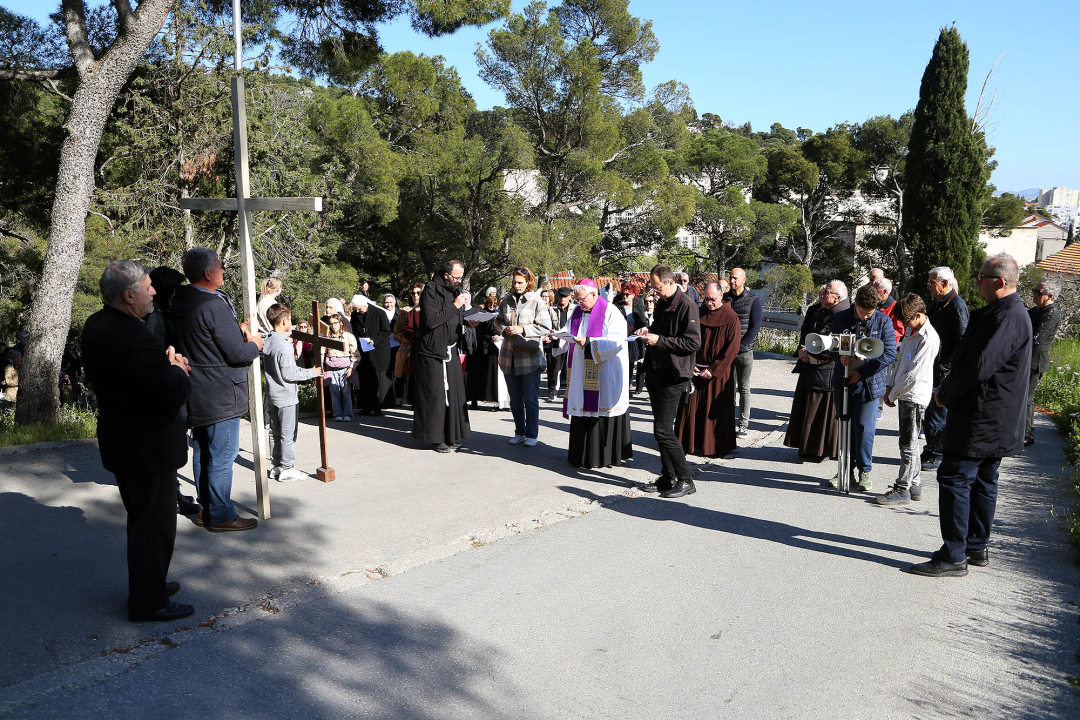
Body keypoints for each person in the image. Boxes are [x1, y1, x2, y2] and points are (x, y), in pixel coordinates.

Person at [82, 260, 194, 621]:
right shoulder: (134, 337)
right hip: (147, 445)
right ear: (129, 295)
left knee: (144, 521)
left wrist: (160, 368)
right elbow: (169, 394)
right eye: (148, 286)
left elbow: (131, 381)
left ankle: (153, 585)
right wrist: (176, 370)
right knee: (153, 527)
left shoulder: (98, 323)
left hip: (124, 439)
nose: (155, 292)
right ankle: (149, 602)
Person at [910, 254, 1032, 577]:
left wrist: (945, 394)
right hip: (994, 418)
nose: (976, 282)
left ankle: (954, 554)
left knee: (955, 478)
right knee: (982, 481)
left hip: (983, 417)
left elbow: (979, 367)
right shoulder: (1005, 312)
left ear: (1001, 283)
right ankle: (975, 546)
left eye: (981, 277)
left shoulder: (1007, 317)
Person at [171, 247, 262, 532]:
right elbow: (237, 353)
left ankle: (205, 510)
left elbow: (207, 343)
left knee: (203, 451)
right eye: (220, 266)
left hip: (198, 388)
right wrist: (254, 344)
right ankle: (221, 515)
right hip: (221, 391)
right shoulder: (213, 305)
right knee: (221, 454)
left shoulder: (182, 301)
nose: (224, 270)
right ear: (208, 273)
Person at [822, 283, 898, 491]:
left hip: (869, 384)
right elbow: (830, 346)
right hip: (843, 381)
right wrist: (840, 358)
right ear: (855, 304)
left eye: (869, 313)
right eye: (862, 312)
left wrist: (861, 373)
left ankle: (865, 471)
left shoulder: (883, 321)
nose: (865, 316)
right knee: (845, 425)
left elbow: (890, 353)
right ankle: (845, 470)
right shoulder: (842, 318)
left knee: (864, 428)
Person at [636, 265, 702, 498]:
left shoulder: (687, 305)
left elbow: (693, 343)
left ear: (670, 282)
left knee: (663, 430)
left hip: (674, 376)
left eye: (657, 287)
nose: (655, 292)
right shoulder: (664, 302)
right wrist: (648, 331)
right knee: (660, 430)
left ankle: (686, 479)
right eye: (653, 288)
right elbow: (659, 331)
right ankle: (668, 476)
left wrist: (660, 341)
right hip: (656, 372)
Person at [552, 279, 633, 468]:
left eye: (581, 300)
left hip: (604, 371)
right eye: (577, 300)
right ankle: (580, 456)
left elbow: (616, 342)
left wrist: (589, 342)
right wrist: (556, 337)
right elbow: (568, 331)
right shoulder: (578, 311)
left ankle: (603, 456)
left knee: (600, 409)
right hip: (581, 371)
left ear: (594, 295)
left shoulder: (611, 312)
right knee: (583, 409)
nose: (578, 303)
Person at [145, 265, 200, 517]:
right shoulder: (156, 318)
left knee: (171, 443)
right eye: (177, 288)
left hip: (172, 384)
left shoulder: (164, 312)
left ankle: (170, 492)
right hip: (165, 389)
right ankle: (172, 496)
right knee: (168, 444)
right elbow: (156, 358)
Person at [876, 294, 940, 505]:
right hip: (904, 393)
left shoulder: (928, 338)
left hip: (913, 395)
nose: (903, 325)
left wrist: (893, 393)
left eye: (906, 321)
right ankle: (915, 483)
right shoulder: (913, 331)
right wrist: (889, 384)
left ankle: (903, 487)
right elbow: (901, 361)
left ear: (919, 315)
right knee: (909, 442)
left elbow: (914, 375)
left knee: (908, 444)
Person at [784, 281, 849, 461]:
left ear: (837, 297)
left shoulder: (844, 316)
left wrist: (811, 355)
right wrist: (802, 350)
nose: (822, 292)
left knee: (821, 412)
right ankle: (808, 447)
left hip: (828, 371)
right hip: (810, 367)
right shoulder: (820, 311)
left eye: (827, 291)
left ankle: (820, 450)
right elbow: (806, 332)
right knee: (808, 409)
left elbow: (839, 346)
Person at [675, 282, 741, 458]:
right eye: (706, 299)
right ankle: (689, 442)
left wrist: (713, 369)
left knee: (714, 409)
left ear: (721, 296)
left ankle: (712, 446)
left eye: (712, 299)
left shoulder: (731, 317)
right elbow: (687, 338)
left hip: (718, 372)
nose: (709, 303)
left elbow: (732, 348)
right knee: (691, 407)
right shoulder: (698, 313)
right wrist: (691, 362)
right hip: (696, 369)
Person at [413, 260, 471, 453]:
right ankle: (436, 438)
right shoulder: (430, 290)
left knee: (453, 394)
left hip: (451, 349)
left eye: (460, 278)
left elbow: (454, 316)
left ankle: (451, 435)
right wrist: (455, 306)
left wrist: (469, 320)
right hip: (433, 351)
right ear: (446, 275)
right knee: (436, 396)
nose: (459, 281)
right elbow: (431, 320)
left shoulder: (453, 289)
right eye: (456, 277)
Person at [262, 303, 323, 482]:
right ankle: (287, 468)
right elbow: (289, 373)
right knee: (287, 435)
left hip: (272, 394)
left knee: (274, 432)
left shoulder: (268, 340)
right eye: (290, 319)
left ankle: (276, 465)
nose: (292, 323)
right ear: (284, 321)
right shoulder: (284, 345)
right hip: (286, 396)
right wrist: (312, 372)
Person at [494, 267, 552, 447]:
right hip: (508, 357)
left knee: (530, 399)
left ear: (528, 283)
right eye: (514, 282)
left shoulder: (536, 301)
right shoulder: (506, 300)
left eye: (520, 282)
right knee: (515, 398)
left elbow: (545, 327)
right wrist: (504, 329)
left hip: (530, 358)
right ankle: (519, 432)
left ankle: (532, 434)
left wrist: (523, 329)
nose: (516, 285)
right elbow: (498, 320)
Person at [921, 267, 969, 471]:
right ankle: (931, 447)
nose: (929, 286)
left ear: (945, 283)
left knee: (938, 412)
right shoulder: (938, 303)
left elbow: (961, 341)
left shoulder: (956, 306)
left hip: (943, 369)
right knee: (929, 410)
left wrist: (945, 367)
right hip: (931, 364)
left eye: (933, 282)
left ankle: (938, 452)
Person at [723, 267, 762, 437]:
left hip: (744, 352)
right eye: (730, 278)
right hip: (726, 352)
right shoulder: (725, 299)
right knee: (727, 389)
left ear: (743, 280)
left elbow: (755, 327)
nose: (732, 281)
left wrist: (742, 346)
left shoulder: (754, 300)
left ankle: (744, 424)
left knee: (744, 388)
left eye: (735, 278)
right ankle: (727, 421)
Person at [1026, 279, 1060, 447]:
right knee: (1025, 397)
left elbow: (1036, 339)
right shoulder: (1035, 310)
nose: (1034, 294)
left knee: (1026, 397)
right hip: (1026, 360)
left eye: (1038, 293)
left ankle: (1027, 434)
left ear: (1050, 296)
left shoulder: (1051, 313)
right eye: (1034, 290)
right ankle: (1024, 431)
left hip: (1035, 362)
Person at [351, 296, 392, 416]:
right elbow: (355, 332)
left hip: (377, 350)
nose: (358, 311)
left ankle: (378, 407)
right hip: (363, 350)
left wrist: (374, 340)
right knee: (365, 380)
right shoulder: (355, 314)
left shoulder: (379, 313)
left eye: (359, 309)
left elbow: (386, 331)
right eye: (356, 309)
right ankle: (366, 407)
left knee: (376, 380)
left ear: (365, 304)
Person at [324, 314, 357, 421]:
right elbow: (322, 352)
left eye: (335, 323)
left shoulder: (348, 336)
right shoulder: (327, 337)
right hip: (331, 367)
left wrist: (351, 367)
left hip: (345, 366)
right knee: (334, 391)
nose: (333, 326)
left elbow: (355, 354)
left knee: (346, 391)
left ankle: (348, 414)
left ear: (341, 323)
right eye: (331, 323)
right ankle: (337, 414)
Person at [394, 284, 423, 404]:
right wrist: (410, 339)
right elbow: (397, 332)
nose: (415, 295)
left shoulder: (431, 309)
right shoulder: (405, 312)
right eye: (413, 293)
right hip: (408, 350)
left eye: (418, 293)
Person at [634, 293, 656, 395]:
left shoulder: (657, 314)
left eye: (651, 301)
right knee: (641, 365)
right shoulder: (641, 314)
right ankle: (639, 387)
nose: (649, 304)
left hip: (654, 344)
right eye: (646, 302)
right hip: (642, 344)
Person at [873, 277, 905, 345]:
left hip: (886, 345)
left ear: (884, 292)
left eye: (875, 290)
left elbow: (899, 331)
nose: (872, 292)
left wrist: (881, 334)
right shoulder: (873, 303)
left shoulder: (896, 307)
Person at [382, 294, 401, 407]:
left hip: (398, 346)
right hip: (385, 346)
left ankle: (398, 396)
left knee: (397, 371)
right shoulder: (380, 313)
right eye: (386, 302)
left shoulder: (401, 313)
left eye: (390, 302)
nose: (388, 305)